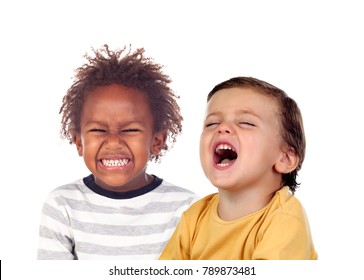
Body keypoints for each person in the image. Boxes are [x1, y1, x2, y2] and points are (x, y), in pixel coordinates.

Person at [37, 45, 199, 260]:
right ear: (79, 143)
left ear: (157, 141)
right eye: (98, 130)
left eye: (130, 130)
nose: (113, 142)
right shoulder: (62, 204)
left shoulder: (186, 208)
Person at [159, 76, 317, 260]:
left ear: (285, 158)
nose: (223, 128)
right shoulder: (194, 218)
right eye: (212, 123)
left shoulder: (285, 219)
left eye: (246, 123)